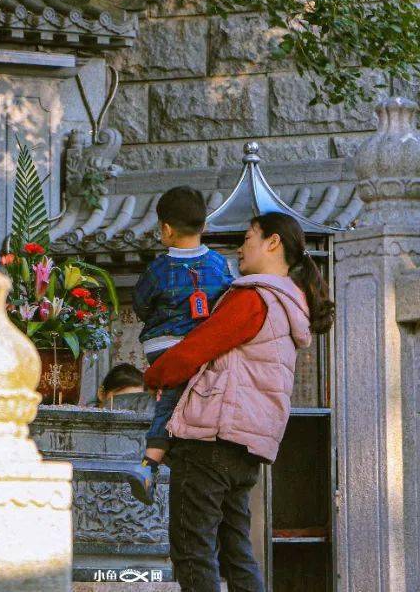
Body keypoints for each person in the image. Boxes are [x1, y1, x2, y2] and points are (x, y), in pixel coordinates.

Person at [143, 212, 335, 592]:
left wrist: (153, 375)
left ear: (273, 242)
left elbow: (197, 347)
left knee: (192, 546)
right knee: (236, 552)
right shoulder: (288, 305)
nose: (240, 248)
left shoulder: (254, 297)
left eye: (248, 237)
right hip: (246, 447)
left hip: (212, 438)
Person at [133, 186, 234, 503]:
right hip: (201, 349)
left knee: (171, 399)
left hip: (162, 346)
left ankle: (150, 464)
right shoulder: (219, 265)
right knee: (176, 400)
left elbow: (140, 305)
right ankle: (154, 462)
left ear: (165, 228)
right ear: (204, 226)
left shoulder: (158, 269)